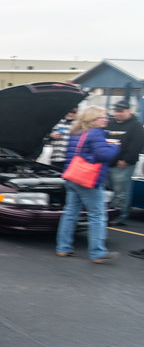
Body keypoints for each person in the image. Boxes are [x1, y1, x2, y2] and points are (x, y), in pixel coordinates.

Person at [55, 106, 121, 264]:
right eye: (103, 117)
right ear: (93, 119)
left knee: (70, 213)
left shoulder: (76, 131)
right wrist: (115, 146)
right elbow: (103, 155)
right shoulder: (96, 133)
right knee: (97, 215)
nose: (106, 119)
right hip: (88, 180)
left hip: (72, 176)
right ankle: (98, 252)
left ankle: (63, 247)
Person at [105, 100, 143, 226]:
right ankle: (107, 214)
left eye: (121, 111)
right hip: (107, 164)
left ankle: (119, 216)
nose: (118, 114)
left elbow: (137, 145)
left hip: (123, 165)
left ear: (128, 111)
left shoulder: (135, 125)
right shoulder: (109, 123)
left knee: (121, 193)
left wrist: (127, 160)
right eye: (116, 111)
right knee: (108, 192)